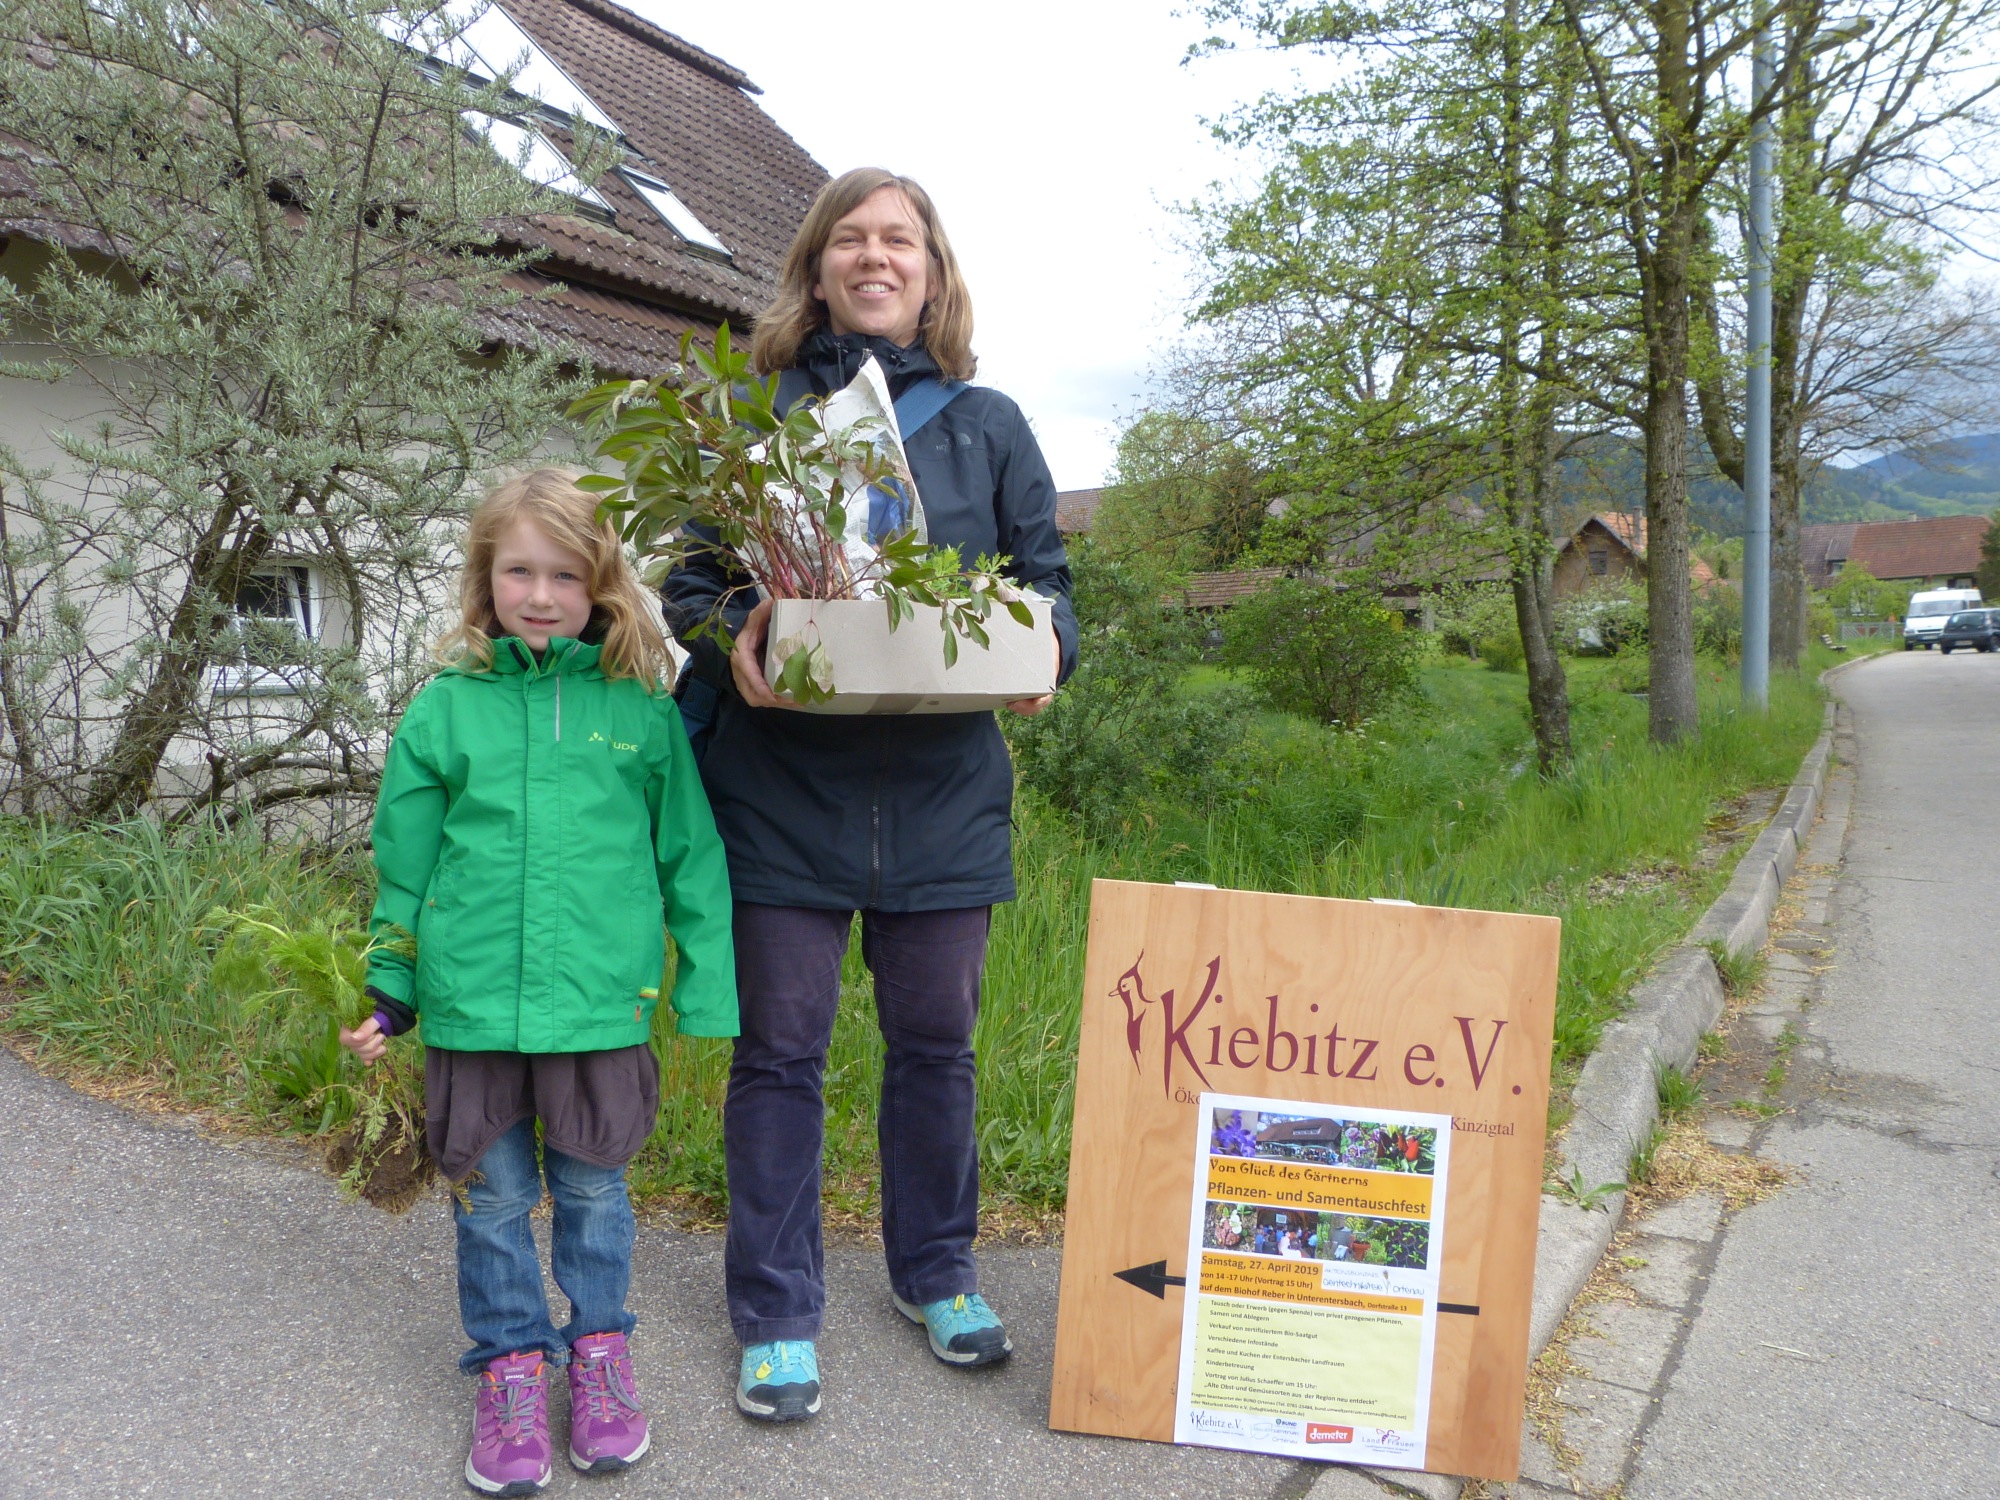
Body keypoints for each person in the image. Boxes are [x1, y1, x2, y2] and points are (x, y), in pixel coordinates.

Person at [662, 167, 1078, 1422]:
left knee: (936, 1052)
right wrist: (733, 633)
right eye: (849, 238)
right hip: (780, 794)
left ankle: (936, 1274)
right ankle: (778, 1310)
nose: (874, 256)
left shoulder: (986, 422)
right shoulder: (757, 414)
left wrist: (1043, 650)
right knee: (779, 1055)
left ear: (933, 271)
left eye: (898, 238)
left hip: (944, 799)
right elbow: (691, 585)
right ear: (816, 267)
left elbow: (1048, 584)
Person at [340, 470, 737, 1495]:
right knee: (492, 1197)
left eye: (566, 574)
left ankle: (600, 1351)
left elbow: (687, 857)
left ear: (601, 585)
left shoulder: (639, 714)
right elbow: (407, 868)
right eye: (519, 570)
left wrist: (708, 988)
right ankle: (511, 1365)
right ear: (486, 579)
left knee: (595, 1194)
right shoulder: (444, 714)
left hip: (601, 1008)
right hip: (473, 1010)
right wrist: (393, 990)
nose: (542, 594)